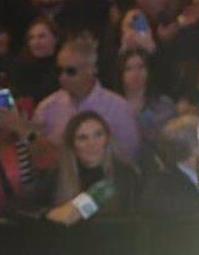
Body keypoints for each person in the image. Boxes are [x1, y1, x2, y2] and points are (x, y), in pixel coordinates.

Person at [33, 35, 140, 163]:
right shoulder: (47, 107)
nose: (62, 77)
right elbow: (36, 155)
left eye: (70, 71)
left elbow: (128, 155)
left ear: (90, 69)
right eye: (59, 70)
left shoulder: (118, 107)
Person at [45, 109, 137, 224]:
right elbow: (34, 210)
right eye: (83, 138)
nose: (92, 144)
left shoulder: (125, 174)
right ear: (72, 145)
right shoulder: (57, 175)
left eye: (98, 135)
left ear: (107, 139)